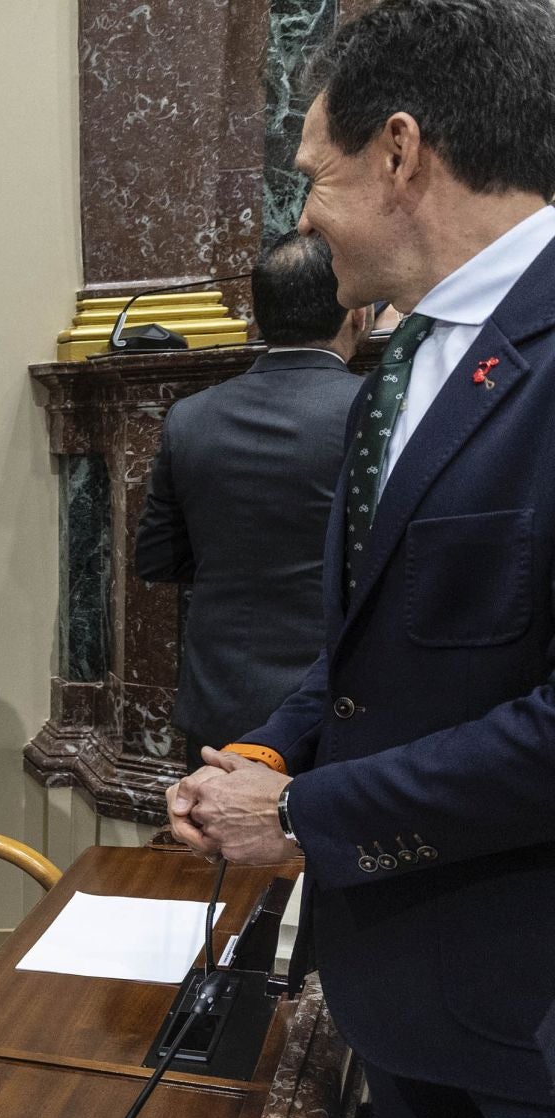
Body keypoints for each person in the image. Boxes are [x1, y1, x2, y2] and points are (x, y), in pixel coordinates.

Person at [167, 3, 555, 1118]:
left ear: (400, 154)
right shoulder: (403, 358)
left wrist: (307, 820)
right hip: (412, 1006)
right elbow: (379, 638)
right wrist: (266, 756)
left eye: (315, 179)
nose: (305, 217)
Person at [136, 235, 370, 761]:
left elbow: (156, 556)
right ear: (356, 313)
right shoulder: (375, 413)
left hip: (221, 699)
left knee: (217, 845)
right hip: (340, 699)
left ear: (256, 318)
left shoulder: (189, 417)